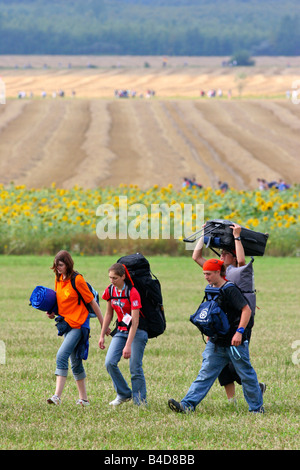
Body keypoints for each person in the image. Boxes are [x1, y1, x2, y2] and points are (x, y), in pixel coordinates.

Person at [168, 258, 264, 414]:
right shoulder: (210, 288)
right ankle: (187, 405)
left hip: (235, 342)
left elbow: (246, 310)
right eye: (204, 274)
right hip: (217, 342)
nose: (206, 277)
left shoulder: (230, 289)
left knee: (246, 375)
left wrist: (239, 332)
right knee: (205, 374)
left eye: (209, 273)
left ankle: (257, 409)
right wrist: (210, 332)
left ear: (218, 272)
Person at [192, 223, 266, 404]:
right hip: (219, 322)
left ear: (232, 257)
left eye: (226, 253)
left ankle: (255, 390)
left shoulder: (237, 272)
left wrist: (237, 237)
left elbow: (241, 261)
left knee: (238, 362)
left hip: (238, 320)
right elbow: (196, 256)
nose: (222, 255)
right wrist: (203, 234)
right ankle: (231, 399)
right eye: (221, 253)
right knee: (220, 363)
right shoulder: (217, 272)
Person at [46, 250, 108, 406]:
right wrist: (52, 311)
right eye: (56, 265)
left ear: (68, 264)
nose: (57, 268)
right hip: (67, 324)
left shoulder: (78, 280)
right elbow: (59, 299)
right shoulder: (59, 278)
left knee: (61, 355)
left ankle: (56, 397)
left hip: (79, 325)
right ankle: (84, 400)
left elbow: (93, 303)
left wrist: (103, 326)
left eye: (60, 265)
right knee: (75, 362)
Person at [99, 263, 148, 406]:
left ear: (123, 277)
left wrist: (128, 346)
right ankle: (124, 393)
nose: (112, 281)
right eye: (110, 277)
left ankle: (140, 402)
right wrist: (102, 334)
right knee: (109, 362)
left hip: (137, 331)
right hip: (121, 330)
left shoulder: (133, 293)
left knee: (135, 367)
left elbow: (136, 322)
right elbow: (109, 313)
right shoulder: (110, 290)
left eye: (115, 278)